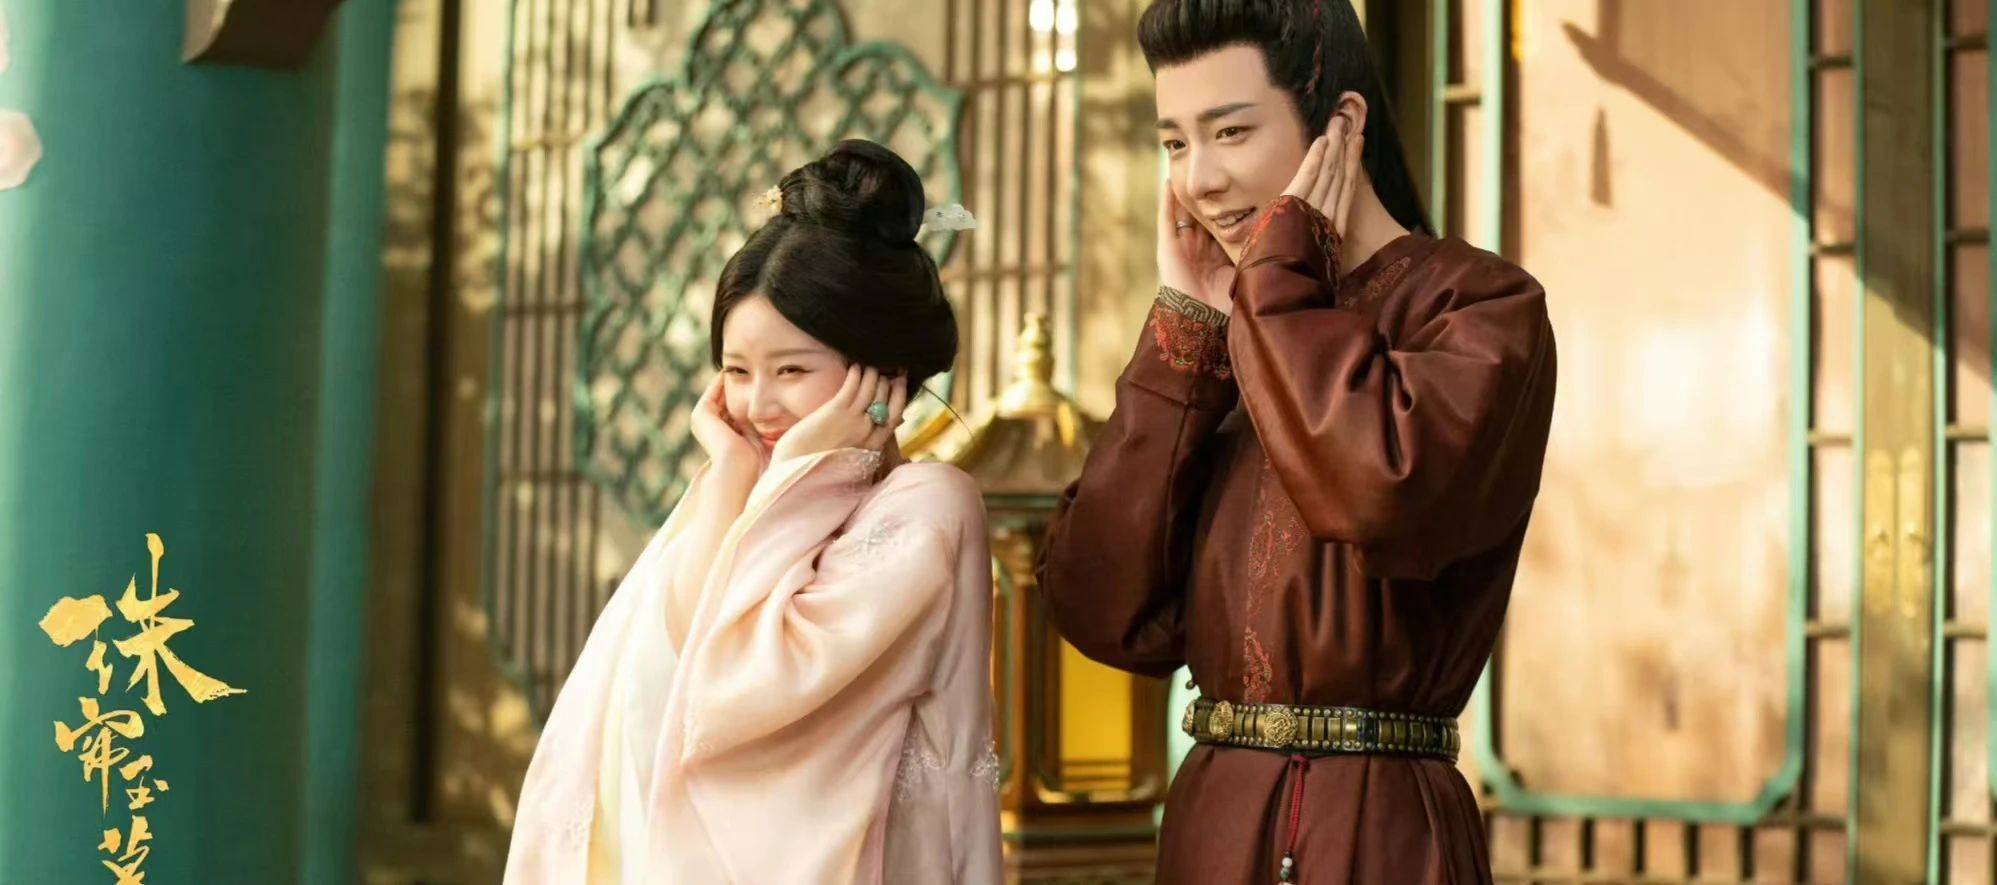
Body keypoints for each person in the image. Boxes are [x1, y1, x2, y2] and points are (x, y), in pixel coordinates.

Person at [1037, 1, 1557, 882]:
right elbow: (1103, 611)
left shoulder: (1478, 308)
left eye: (1230, 132)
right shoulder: (1226, 334)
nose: (1199, 179)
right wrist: (1186, 336)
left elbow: (1377, 495)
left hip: (1376, 831)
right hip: (1211, 824)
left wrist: (1278, 278)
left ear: (1340, 124)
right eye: (1174, 143)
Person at [504, 139, 1002, 884]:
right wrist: (737, 472)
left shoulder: (926, 504)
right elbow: (682, 649)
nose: (758, 404)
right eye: (736, 371)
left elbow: (732, 688)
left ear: (883, 371)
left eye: (792, 370)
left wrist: (800, 472)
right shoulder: (739, 484)